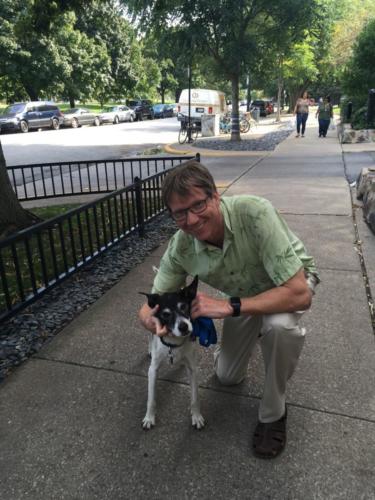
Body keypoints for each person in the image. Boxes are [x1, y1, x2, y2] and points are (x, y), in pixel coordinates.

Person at [138, 160, 319, 459]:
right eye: (180, 213)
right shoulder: (180, 247)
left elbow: (300, 295)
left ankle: (273, 415)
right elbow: (147, 308)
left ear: (215, 196)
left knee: (279, 327)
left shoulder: (255, 213)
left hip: (287, 285)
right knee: (227, 376)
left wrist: (229, 306)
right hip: (244, 295)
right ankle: (254, 332)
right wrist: (155, 324)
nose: (192, 220)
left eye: (198, 205)